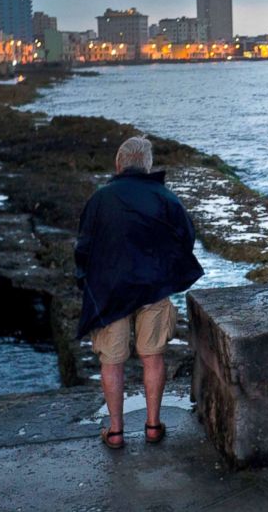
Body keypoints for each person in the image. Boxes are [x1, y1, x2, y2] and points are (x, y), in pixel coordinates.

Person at [75, 136, 204, 449]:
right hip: (153, 287)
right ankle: (152, 426)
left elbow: (83, 249)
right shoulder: (164, 197)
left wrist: (88, 283)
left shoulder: (100, 199)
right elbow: (186, 238)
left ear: (119, 165)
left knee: (111, 361)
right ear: (147, 165)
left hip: (110, 292)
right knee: (152, 356)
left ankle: (116, 432)